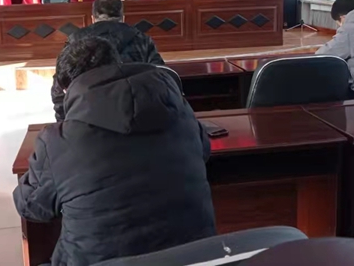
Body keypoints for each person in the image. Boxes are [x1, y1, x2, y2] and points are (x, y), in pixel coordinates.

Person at [14, 37, 216, 266]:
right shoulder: (180, 110)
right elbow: (204, 151)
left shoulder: (57, 141)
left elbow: (31, 206)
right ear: (117, 65)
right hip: (196, 259)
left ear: (66, 89)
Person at [51, 0, 164, 121]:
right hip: (134, 115)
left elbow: (60, 85)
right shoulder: (141, 39)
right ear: (123, 18)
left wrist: (64, 120)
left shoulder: (76, 40)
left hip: (86, 116)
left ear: (93, 18)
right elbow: (161, 76)